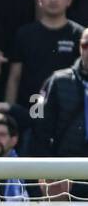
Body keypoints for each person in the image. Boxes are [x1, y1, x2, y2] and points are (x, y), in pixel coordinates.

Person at [6, 0, 82, 126]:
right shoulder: (25, 34)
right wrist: (9, 115)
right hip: (34, 106)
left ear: (69, 0)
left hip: (70, 110)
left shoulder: (80, 35)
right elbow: (14, 78)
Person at [35, 25, 88, 168]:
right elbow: (39, 122)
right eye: (85, 45)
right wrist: (47, 168)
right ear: (79, 47)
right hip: (65, 166)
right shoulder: (58, 80)